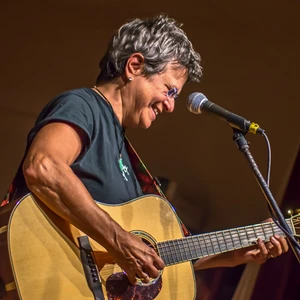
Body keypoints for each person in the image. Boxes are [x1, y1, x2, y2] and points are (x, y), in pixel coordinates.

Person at [3, 14, 288, 290]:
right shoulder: (82, 105)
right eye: (169, 91)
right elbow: (43, 167)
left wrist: (235, 254)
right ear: (135, 66)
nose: (171, 106)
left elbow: (150, 255)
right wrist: (119, 241)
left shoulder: (123, 149)